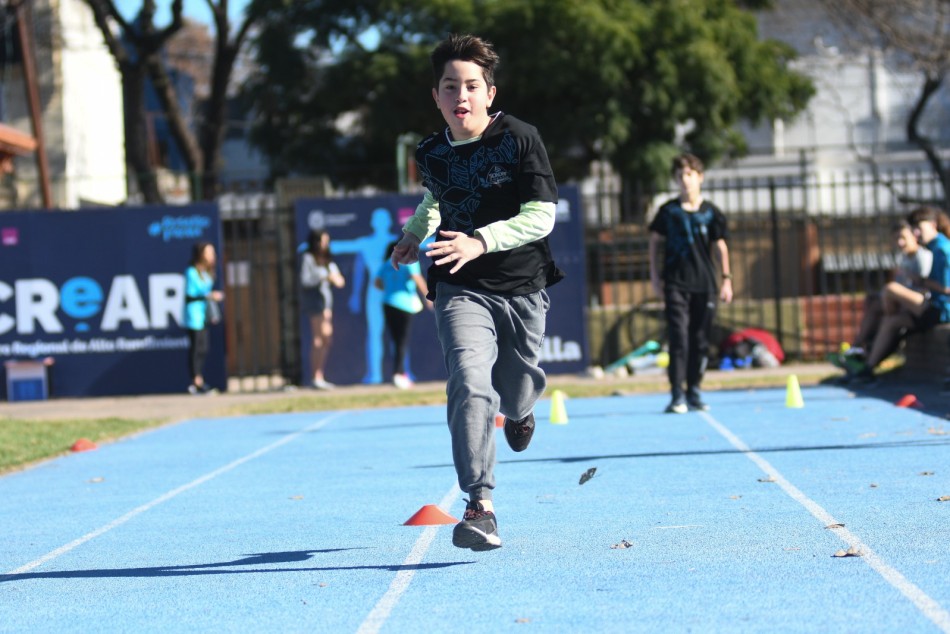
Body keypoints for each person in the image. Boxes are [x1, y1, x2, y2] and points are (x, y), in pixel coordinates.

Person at [390, 33, 563, 551]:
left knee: (515, 390)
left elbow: (542, 215)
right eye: (450, 87)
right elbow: (436, 198)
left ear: (489, 92)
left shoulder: (519, 138)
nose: (460, 96)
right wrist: (415, 235)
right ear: (437, 97)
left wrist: (481, 240)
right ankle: (481, 504)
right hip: (460, 289)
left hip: (521, 286)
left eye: (471, 86)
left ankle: (523, 408)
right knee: (468, 382)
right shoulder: (432, 152)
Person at [649, 153, 733, 414]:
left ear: (700, 177)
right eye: (680, 175)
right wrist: (654, 275)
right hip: (676, 283)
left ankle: (694, 390)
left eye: (690, 174)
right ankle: (676, 395)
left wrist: (726, 280)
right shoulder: (668, 211)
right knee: (679, 338)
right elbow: (653, 242)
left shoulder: (711, 213)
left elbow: (720, 246)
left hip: (705, 284)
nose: (685, 180)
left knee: (700, 340)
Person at [846, 206, 950, 384]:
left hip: (940, 308)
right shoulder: (929, 248)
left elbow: (946, 288)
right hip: (929, 305)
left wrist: (920, 281)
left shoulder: (941, 249)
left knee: (891, 290)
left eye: (919, 226)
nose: (916, 232)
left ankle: (861, 348)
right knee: (891, 320)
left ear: (933, 224)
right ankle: (867, 368)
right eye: (914, 227)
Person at [832, 220, 932, 366]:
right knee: (873, 303)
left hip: (920, 303)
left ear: (914, 236)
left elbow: (924, 286)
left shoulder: (923, 256)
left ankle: (865, 352)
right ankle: (857, 348)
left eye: (904, 238)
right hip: (903, 305)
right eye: (897, 239)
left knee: (889, 290)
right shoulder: (903, 258)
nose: (900, 242)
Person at [374, 241, 433, 389]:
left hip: (388, 303)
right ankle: (398, 374)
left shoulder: (387, 262)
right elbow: (416, 277)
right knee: (402, 340)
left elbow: (377, 283)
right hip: (404, 305)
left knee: (396, 340)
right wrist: (428, 296)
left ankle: (399, 372)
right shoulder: (409, 260)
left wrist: (391, 287)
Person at [300, 229, 345, 389]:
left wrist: (335, 279)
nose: (324, 245)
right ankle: (316, 377)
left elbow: (340, 281)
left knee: (327, 339)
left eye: (326, 241)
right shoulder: (308, 258)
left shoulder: (328, 261)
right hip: (315, 303)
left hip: (326, 304)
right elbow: (305, 280)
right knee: (318, 339)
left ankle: (320, 375)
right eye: (321, 241)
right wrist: (323, 277)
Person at [184, 241, 224, 395]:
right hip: (193, 316)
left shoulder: (207, 272)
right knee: (196, 349)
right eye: (209, 252)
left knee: (204, 348)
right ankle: (196, 383)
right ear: (201, 254)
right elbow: (195, 292)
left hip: (203, 315)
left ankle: (199, 380)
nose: (212, 255)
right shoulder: (191, 271)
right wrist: (211, 295)